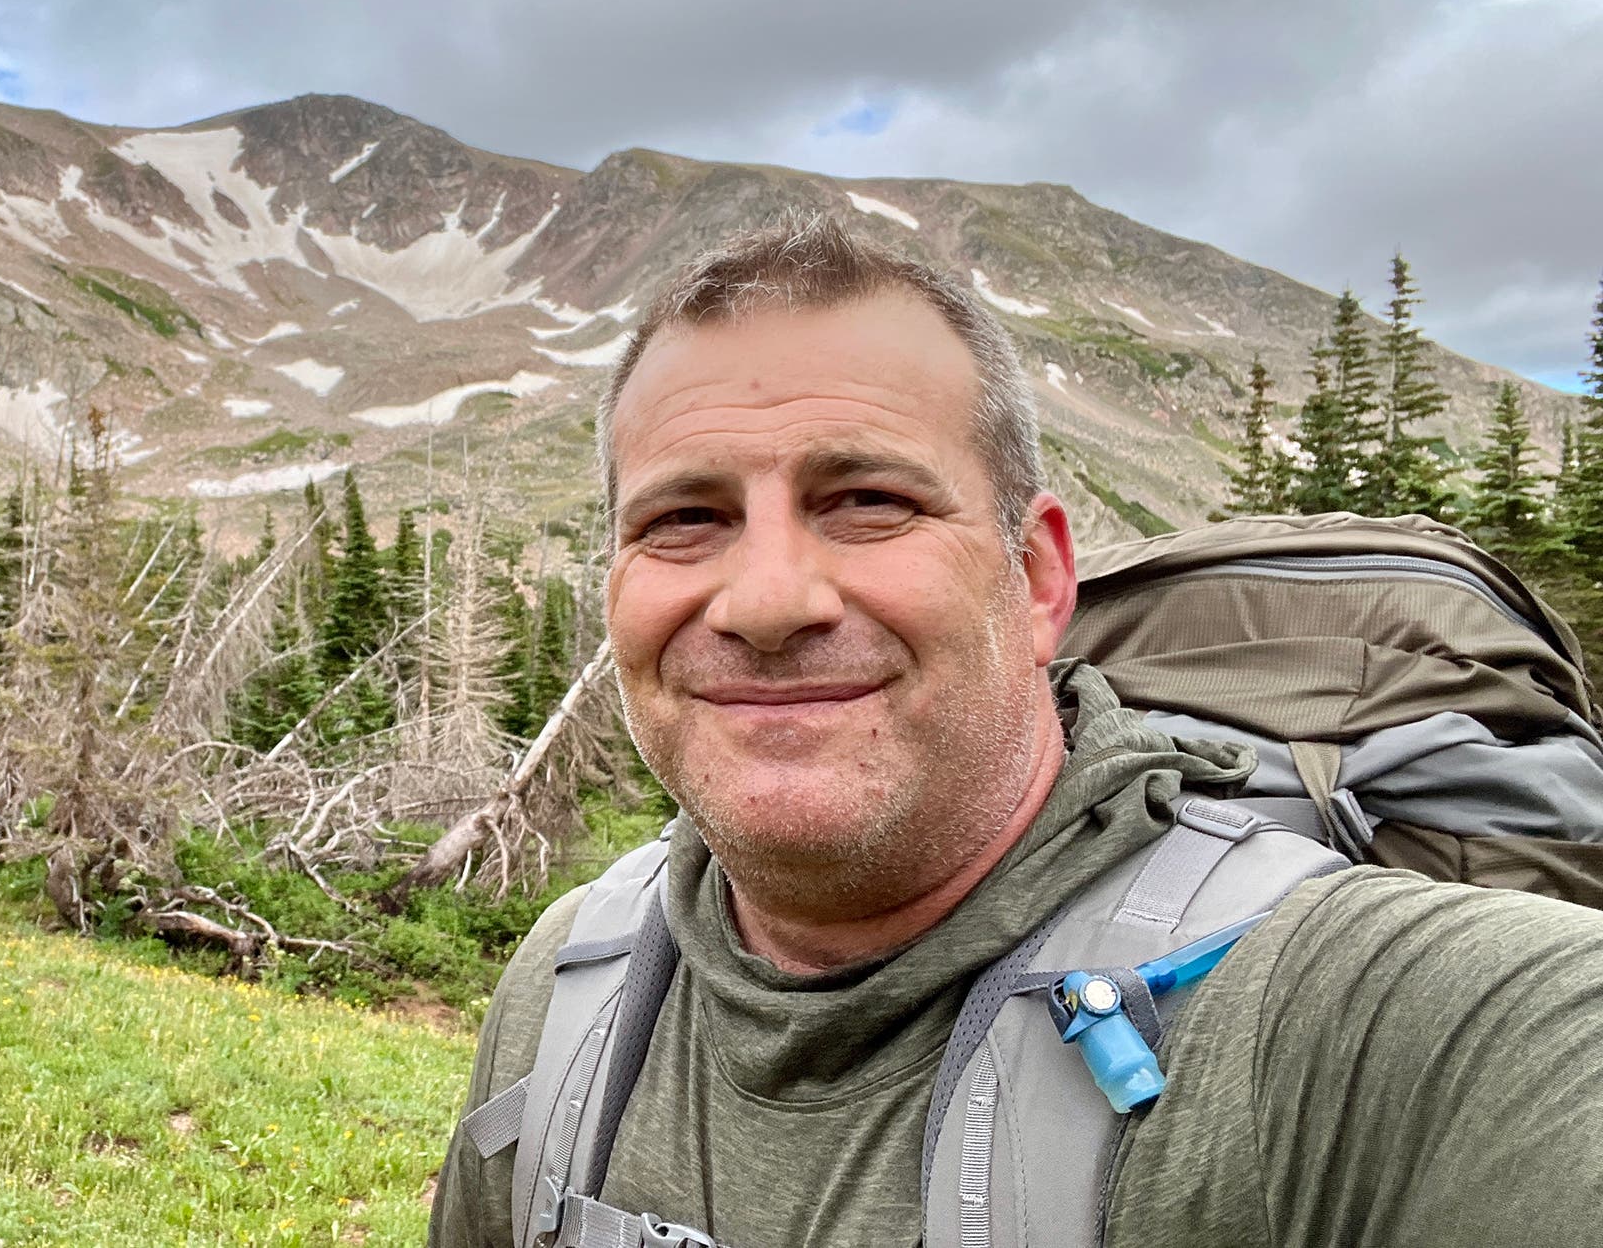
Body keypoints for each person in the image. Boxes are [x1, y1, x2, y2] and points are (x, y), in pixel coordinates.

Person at [426, 216, 1603, 1247]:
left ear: (1038, 579)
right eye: (685, 518)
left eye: (868, 501)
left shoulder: (1371, 1021)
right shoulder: (570, 987)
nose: (768, 602)